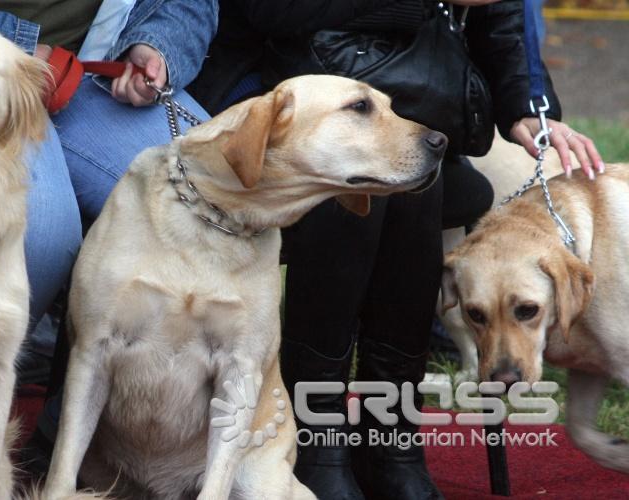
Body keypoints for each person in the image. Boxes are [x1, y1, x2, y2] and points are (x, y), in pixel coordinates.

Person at [189, 1, 603, 499]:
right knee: (360, 180)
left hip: (414, 106)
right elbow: (273, 11)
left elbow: (501, 13)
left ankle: (391, 441)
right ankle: (316, 439)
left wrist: (526, 104)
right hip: (278, 106)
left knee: (409, 179)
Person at [0, 0, 217, 353]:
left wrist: (158, 46)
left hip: (96, 72)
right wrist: (14, 46)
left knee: (207, 204)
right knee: (42, 236)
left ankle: (70, 391)